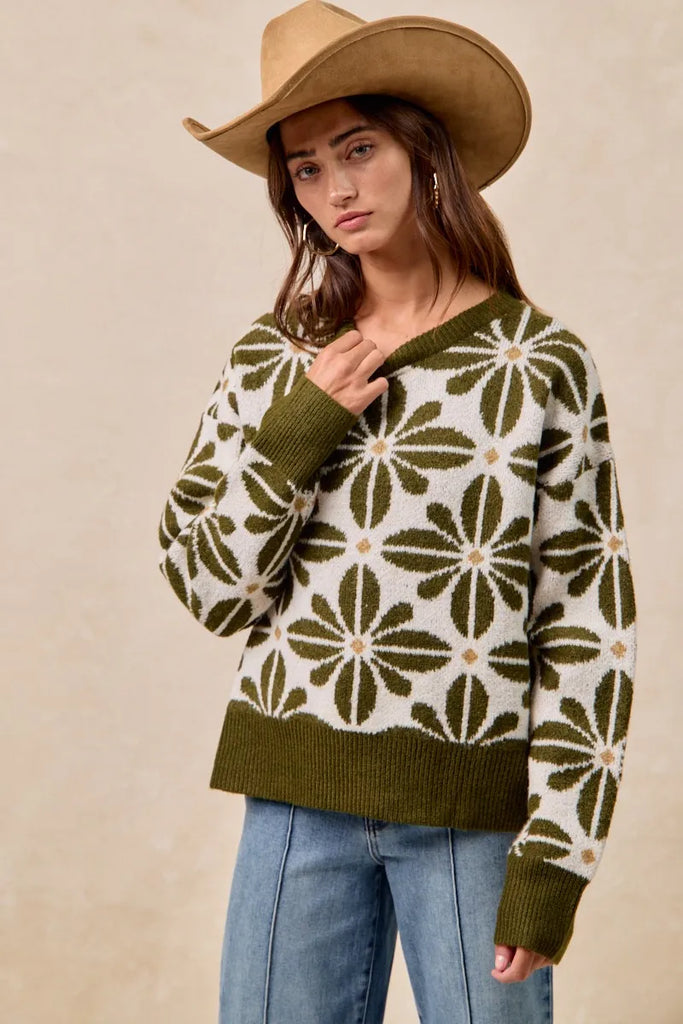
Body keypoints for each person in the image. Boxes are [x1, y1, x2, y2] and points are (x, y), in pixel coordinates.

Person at [157, 2, 637, 1021]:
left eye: (357, 148)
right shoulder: (277, 357)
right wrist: (301, 427)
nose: (335, 189)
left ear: (422, 150)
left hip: (471, 819)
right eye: (304, 168)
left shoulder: (538, 363)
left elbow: (586, 624)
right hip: (293, 809)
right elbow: (208, 589)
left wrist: (555, 860)